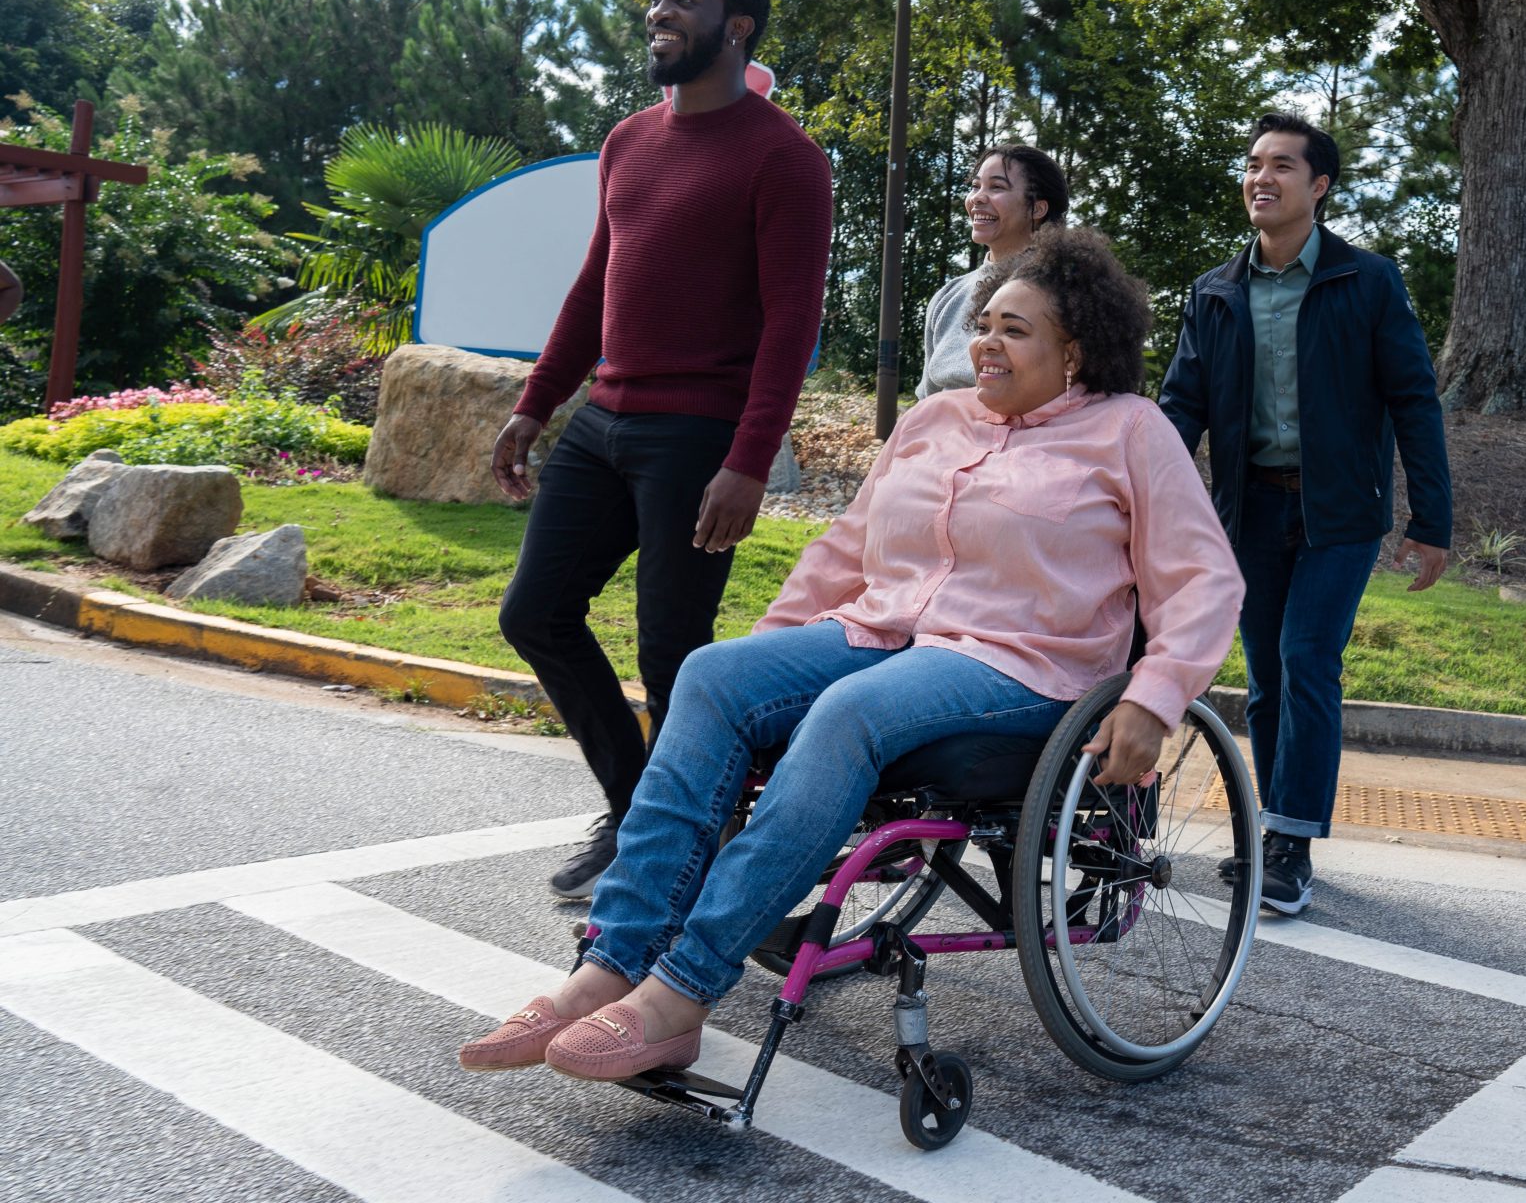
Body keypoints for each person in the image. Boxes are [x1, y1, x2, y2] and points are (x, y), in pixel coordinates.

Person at [458, 230, 1243, 1082]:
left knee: (848, 714)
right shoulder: (935, 421)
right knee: (711, 676)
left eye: (1014, 331)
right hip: (881, 632)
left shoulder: (1129, 430)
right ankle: (608, 965)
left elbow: (1203, 579)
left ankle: (681, 992)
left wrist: (1155, 696)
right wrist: (765, 664)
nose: (986, 343)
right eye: (984, 325)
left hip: (1025, 665)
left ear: (1076, 353)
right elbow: (843, 551)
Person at [492, 0, 835, 901]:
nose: (660, 12)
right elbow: (593, 284)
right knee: (534, 613)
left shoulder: (786, 158)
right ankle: (641, 810)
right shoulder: (628, 141)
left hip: (697, 436)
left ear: (737, 25)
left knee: (671, 653)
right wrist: (535, 404)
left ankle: (681, 848)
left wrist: (750, 460)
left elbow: (792, 323)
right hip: (603, 420)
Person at [1157, 112, 1452, 916]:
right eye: (1254, 163)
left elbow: (1414, 400)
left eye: (1281, 165)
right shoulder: (1216, 291)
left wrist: (1432, 519)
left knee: (1307, 660)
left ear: (1318, 186)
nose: (1261, 177)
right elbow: (1181, 406)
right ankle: (1272, 828)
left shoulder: (1368, 281)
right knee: (1265, 679)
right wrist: (1138, 496)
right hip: (1248, 511)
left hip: (1339, 514)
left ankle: (1290, 847)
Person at [916, 145, 1069, 397]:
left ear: (1037, 209)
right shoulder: (948, 296)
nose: (977, 198)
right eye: (975, 186)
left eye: (997, 187)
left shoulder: (1068, 291)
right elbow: (927, 398)